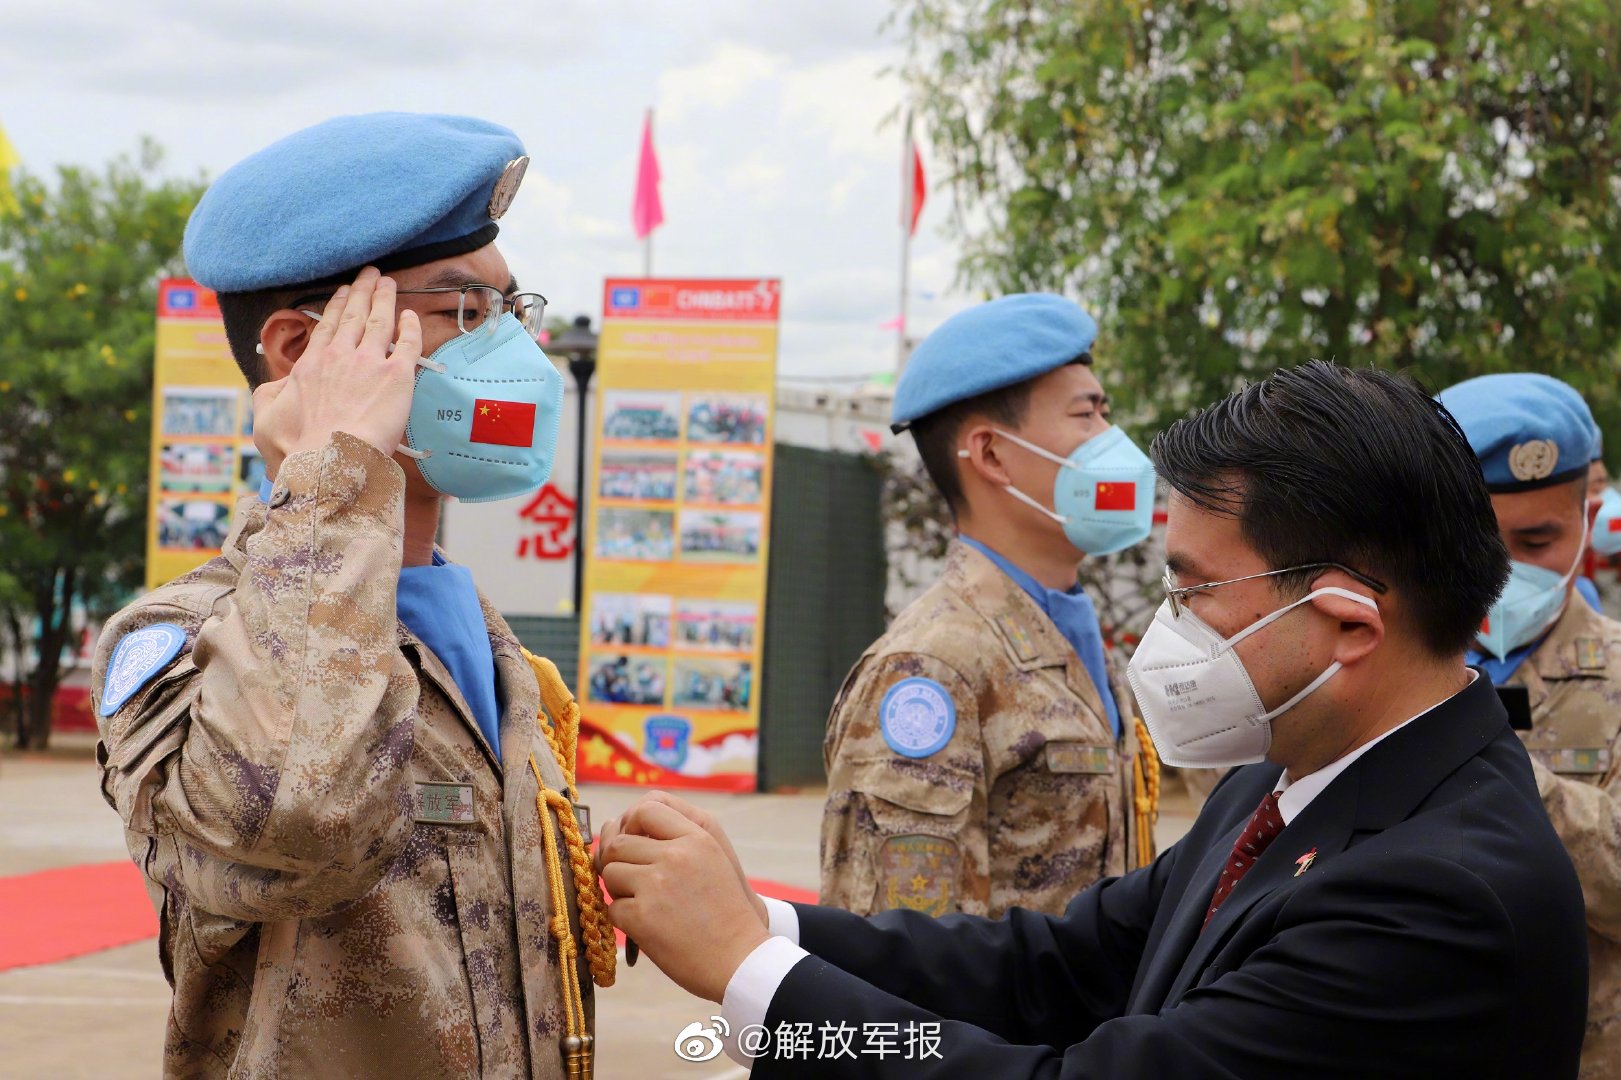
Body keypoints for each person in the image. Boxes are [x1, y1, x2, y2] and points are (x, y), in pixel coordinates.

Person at [596, 361, 1589, 1078]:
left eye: (1195, 591)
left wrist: (745, 971)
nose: (1168, 626)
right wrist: (759, 919)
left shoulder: (1437, 894)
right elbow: (1054, 967)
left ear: (1344, 623)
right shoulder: (1280, 781)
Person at [92, 113, 613, 1079]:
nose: (508, 351)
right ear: (299, 348)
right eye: (465, 311)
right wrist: (336, 471)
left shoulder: (496, 652)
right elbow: (296, 832)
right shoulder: (181, 636)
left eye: (512, 310)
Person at [820, 294, 1159, 921]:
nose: (1112, 442)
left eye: (1105, 413)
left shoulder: (1069, 639)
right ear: (993, 454)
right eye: (1086, 416)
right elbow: (901, 957)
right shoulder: (931, 669)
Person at [1438, 373, 1621, 1076]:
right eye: (1481, 542)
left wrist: (1492, 766)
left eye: (1537, 540)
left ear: (1588, 515)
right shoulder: (1370, 667)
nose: (1506, 572)